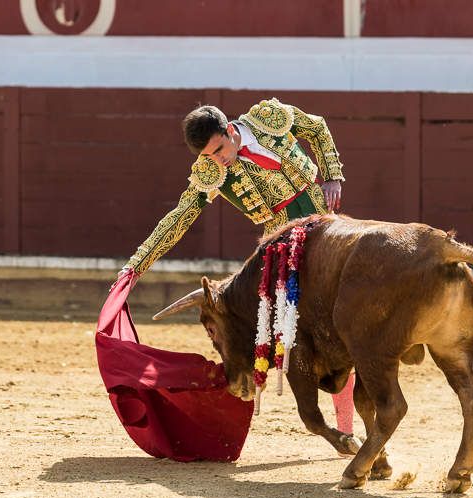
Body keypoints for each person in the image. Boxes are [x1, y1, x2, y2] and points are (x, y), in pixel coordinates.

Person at [122, 98, 355, 435]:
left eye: (219, 149)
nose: (218, 160)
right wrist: (135, 266)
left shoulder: (267, 119)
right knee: (303, 335)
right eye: (209, 156)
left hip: (330, 228)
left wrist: (332, 176)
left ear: (230, 130)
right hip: (284, 251)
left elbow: (316, 127)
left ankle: (347, 423)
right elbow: (181, 216)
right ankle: (339, 425)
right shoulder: (212, 172)